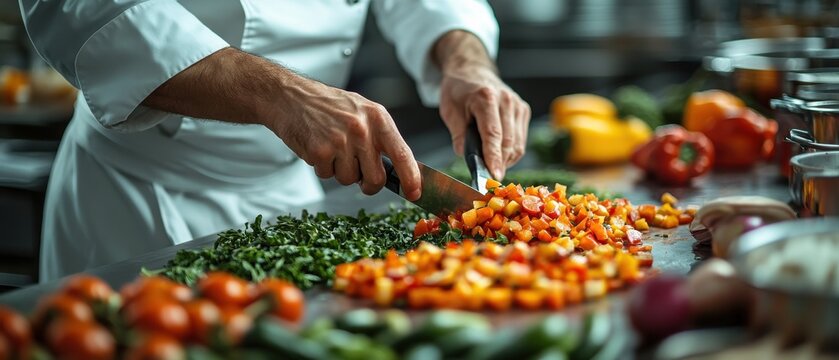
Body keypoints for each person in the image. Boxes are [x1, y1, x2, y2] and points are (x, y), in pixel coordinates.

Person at [20, 0, 531, 281]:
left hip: (292, 204)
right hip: (137, 201)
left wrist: (466, 59)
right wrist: (279, 94)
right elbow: (75, 8)